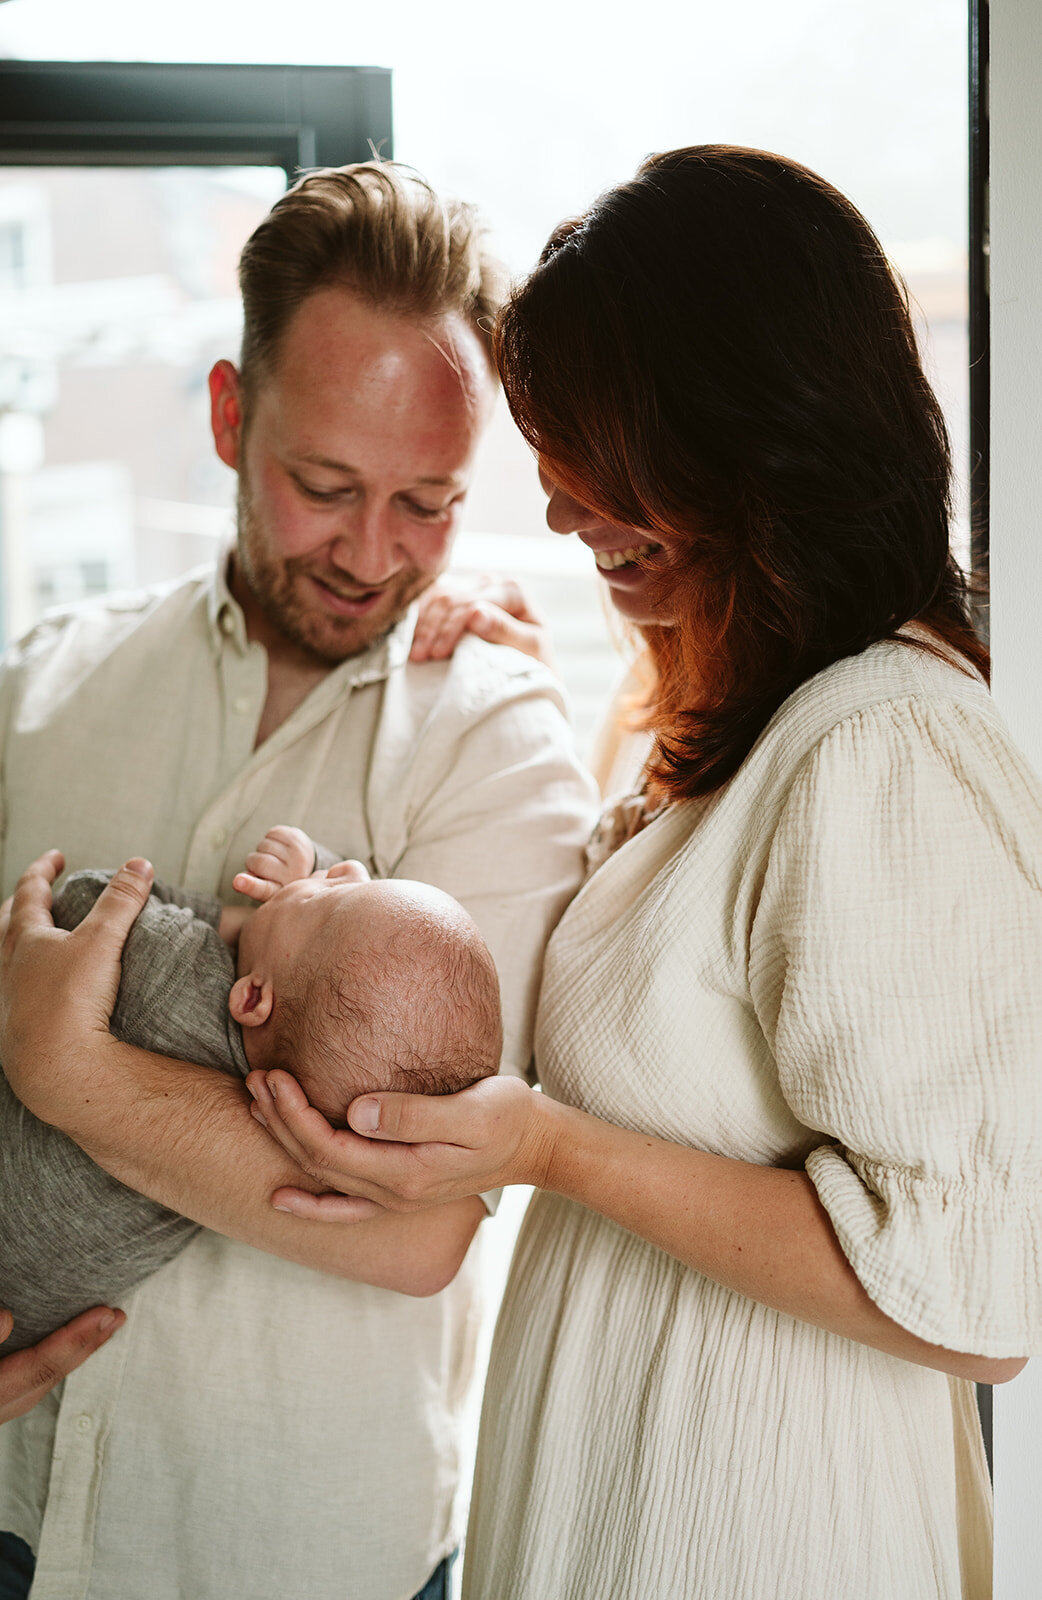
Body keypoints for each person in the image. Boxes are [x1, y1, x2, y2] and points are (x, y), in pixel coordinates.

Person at [230, 147, 1041, 1596]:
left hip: (759, 1524)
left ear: (750, 441)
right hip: (639, 1490)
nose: (554, 512)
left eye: (598, 460)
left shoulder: (886, 743)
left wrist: (550, 1147)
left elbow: (979, 1297)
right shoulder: (757, 731)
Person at [0, 160, 596, 1600]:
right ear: (226, 416)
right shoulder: (39, 689)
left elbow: (421, 1219)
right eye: (324, 486)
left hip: (298, 1549)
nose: (372, 554)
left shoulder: (499, 743)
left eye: (427, 505)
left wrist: (61, 1065)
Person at [1, 828, 502, 1352]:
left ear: (253, 997)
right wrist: (297, 912)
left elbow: (85, 904)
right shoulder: (308, 1145)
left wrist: (235, 920)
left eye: (325, 895)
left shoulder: (174, 970)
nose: (349, 868)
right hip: (30, 1323)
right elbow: (360, 965)